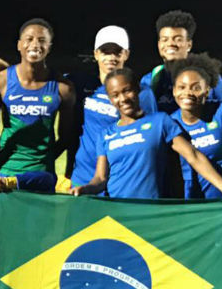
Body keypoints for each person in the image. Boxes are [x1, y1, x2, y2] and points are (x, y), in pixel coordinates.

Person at [71, 69, 222, 200]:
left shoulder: (160, 122)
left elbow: (193, 155)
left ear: (138, 89)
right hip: (118, 210)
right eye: (115, 95)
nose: (123, 99)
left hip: (152, 212)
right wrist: (85, 189)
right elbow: (100, 178)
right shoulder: (105, 134)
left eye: (127, 90)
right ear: (110, 99)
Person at [66, 26, 158, 188]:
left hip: (121, 179)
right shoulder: (82, 85)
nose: (111, 57)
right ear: (96, 54)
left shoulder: (141, 93)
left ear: (126, 54)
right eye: (105, 52)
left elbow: (149, 139)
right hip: (83, 176)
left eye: (117, 52)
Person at [0, 18, 76, 178]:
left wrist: (45, 159)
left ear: (49, 47)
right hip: (6, 173)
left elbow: (65, 137)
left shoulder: (63, 88)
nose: (35, 45)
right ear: (19, 45)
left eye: (42, 40)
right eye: (29, 39)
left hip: (43, 174)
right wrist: (3, 156)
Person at [168, 54, 222, 199]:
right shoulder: (169, 123)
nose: (187, 93)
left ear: (207, 91)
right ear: (174, 91)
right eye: (181, 87)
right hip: (192, 204)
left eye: (196, 88)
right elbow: (192, 157)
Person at [140, 10, 222, 114]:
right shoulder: (151, 79)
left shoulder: (206, 75)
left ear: (189, 45)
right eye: (165, 39)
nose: (170, 43)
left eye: (178, 39)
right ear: (159, 44)